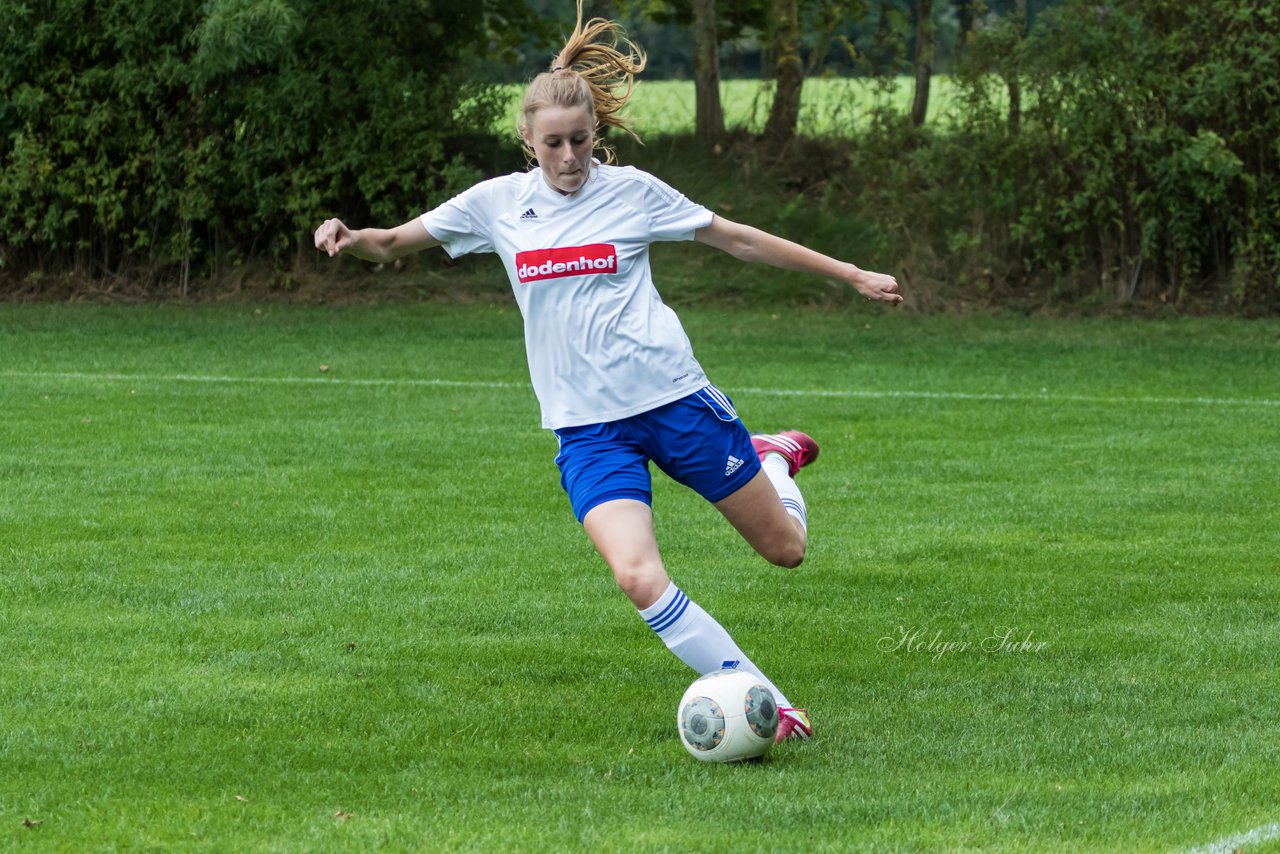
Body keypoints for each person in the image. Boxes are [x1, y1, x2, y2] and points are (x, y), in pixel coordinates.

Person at [314, 1, 902, 745]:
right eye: (553, 144)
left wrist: (849, 273)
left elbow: (740, 241)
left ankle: (772, 457)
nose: (568, 158)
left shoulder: (633, 193)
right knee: (636, 576)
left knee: (786, 550)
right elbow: (394, 242)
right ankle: (769, 701)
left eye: (580, 142)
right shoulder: (497, 205)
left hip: (675, 402)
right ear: (527, 142)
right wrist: (350, 235)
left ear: (596, 135)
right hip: (588, 429)